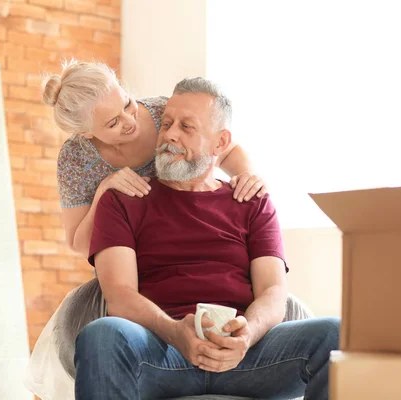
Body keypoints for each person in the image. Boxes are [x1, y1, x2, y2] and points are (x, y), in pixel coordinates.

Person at [75, 77, 340, 400]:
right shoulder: (123, 200)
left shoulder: (252, 202)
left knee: (335, 334)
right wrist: (175, 333)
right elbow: (119, 295)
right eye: (167, 123)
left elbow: (273, 290)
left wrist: (247, 335)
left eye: (187, 127)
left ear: (220, 143)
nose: (170, 134)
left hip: (246, 357)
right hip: (161, 352)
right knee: (102, 335)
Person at [43, 60, 268, 258]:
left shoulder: (165, 113)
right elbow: (79, 245)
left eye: (127, 104)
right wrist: (104, 189)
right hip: (128, 257)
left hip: (183, 235)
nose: (129, 121)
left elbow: (223, 148)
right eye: (113, 123)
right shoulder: (75, 158)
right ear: (86, 133)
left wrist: (248, 178)